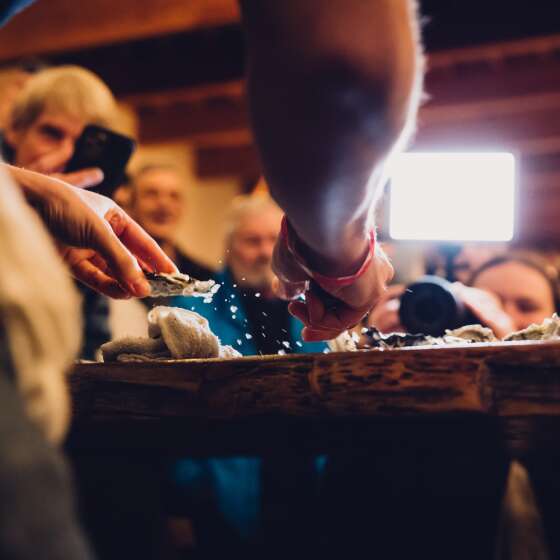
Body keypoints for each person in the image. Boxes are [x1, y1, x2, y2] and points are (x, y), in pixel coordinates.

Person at [3, 65, 129, 358]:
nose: (66, 153)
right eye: (51, 133)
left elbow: (89, 343)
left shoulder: (85, 222)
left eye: (81, 141)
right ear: (14, 130)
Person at [173, 193, 327, 355]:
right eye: (252, 241)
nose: (266, 252)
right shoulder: (193, 311)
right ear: (229, 248)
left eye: (275, 239)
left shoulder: (313, 303)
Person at [130, 164, 213, 280]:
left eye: (174, 196)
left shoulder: (204, 277)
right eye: (152, 194)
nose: (164, 204)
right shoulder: (110, 270)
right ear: (132, 204)